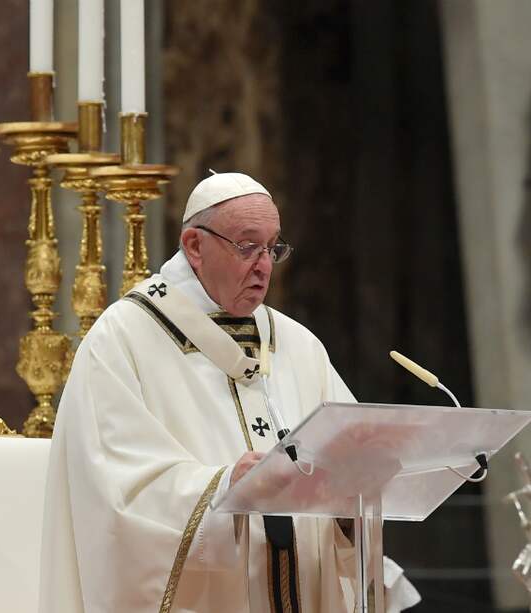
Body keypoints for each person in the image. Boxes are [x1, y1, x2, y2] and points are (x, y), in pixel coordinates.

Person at [37, 173, 419, 613]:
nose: (263, 265)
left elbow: (352, 453)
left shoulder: (296, 343)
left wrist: (360, 484)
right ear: (194, 246)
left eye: (273, 247)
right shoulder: (122, 339)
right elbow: (111, 490)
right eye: (247, 246)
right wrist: (223, 486)